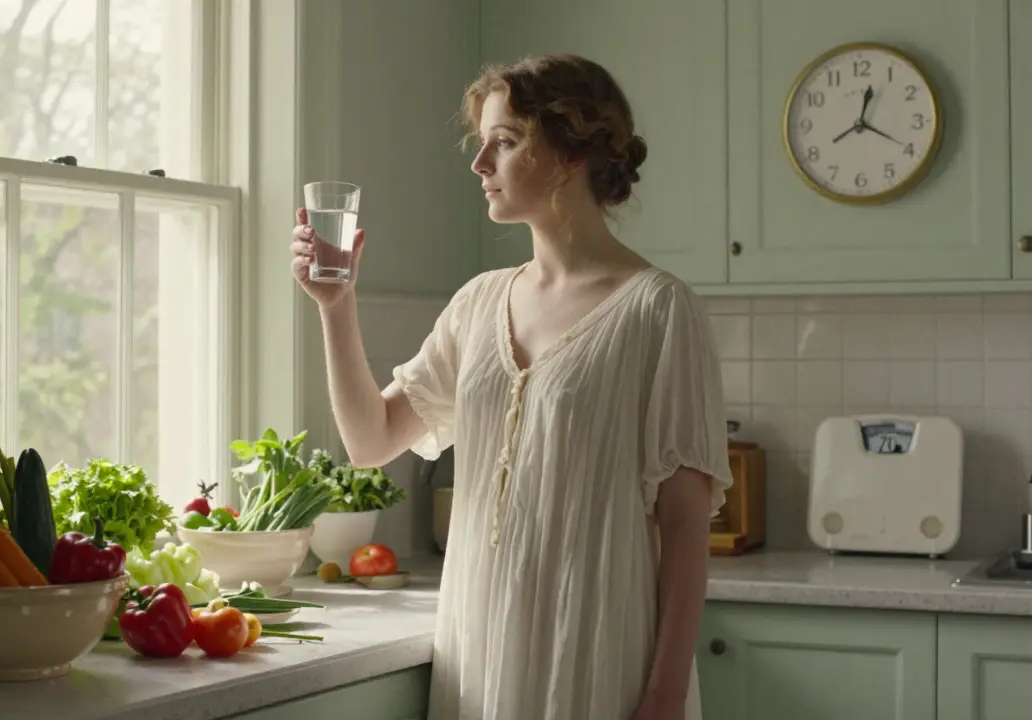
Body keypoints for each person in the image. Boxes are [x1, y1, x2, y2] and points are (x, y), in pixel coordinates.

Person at [289, 53, 734, 720]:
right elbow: (369, 440)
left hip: (599, 655)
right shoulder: (477, 302)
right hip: (482, 651)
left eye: (504, 142)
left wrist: (665, 695)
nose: (479, 165)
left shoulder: (659, 311)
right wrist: (336, 306)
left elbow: (685, 525)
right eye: (481, 144)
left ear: (571, 153)